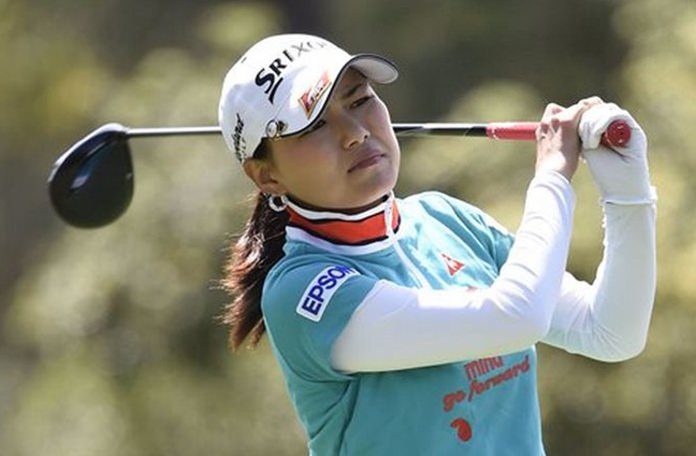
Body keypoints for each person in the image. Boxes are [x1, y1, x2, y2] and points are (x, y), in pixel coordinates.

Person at [218, 34, 657, 455]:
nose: (354, 133)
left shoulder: (445, 218)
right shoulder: (301, 291)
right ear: (266, 175)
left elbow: (610, 332)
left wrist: (627, 189)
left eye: (359, 100)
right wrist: (553, 176)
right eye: (315, 125)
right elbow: (517, 317)